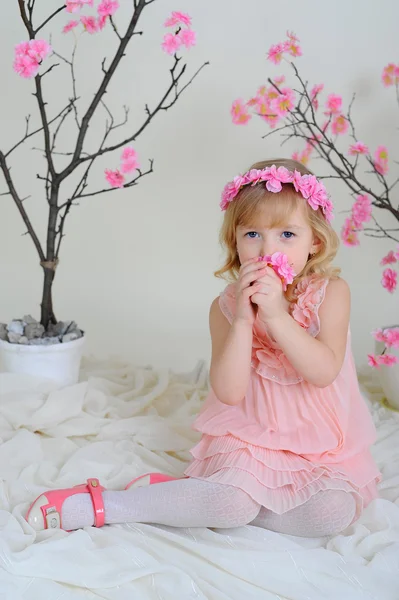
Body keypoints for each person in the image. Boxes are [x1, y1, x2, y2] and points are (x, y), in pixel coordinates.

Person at [26, 158, 381, 537]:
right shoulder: (226, 307)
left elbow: (324, 371)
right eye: (252, 234)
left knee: (332, 513)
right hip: (250, 434)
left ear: (316, 242)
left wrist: (278, 316)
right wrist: (245, 320)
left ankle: (185, 499)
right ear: (235, 241)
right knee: (233, 502)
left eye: (287, 235)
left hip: (318, 443)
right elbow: (228, 393)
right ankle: (108, 506)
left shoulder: (331, 294)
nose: (266, 249)